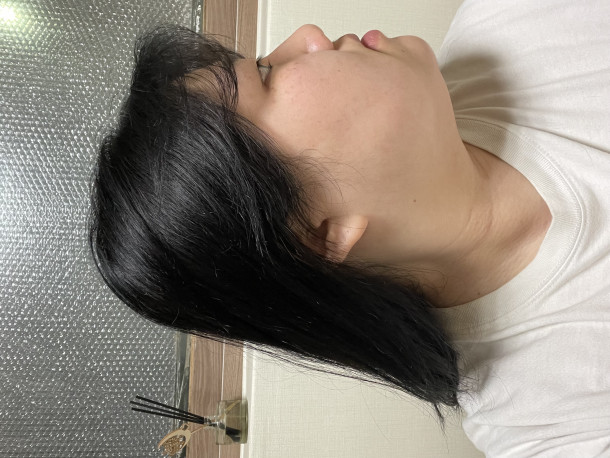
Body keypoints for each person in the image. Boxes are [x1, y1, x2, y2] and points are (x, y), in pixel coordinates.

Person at [90, 0, 610, 455]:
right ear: (320, 237)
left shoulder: (514, 21)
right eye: (266, 74)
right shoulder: (547, 426)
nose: (308, 35)